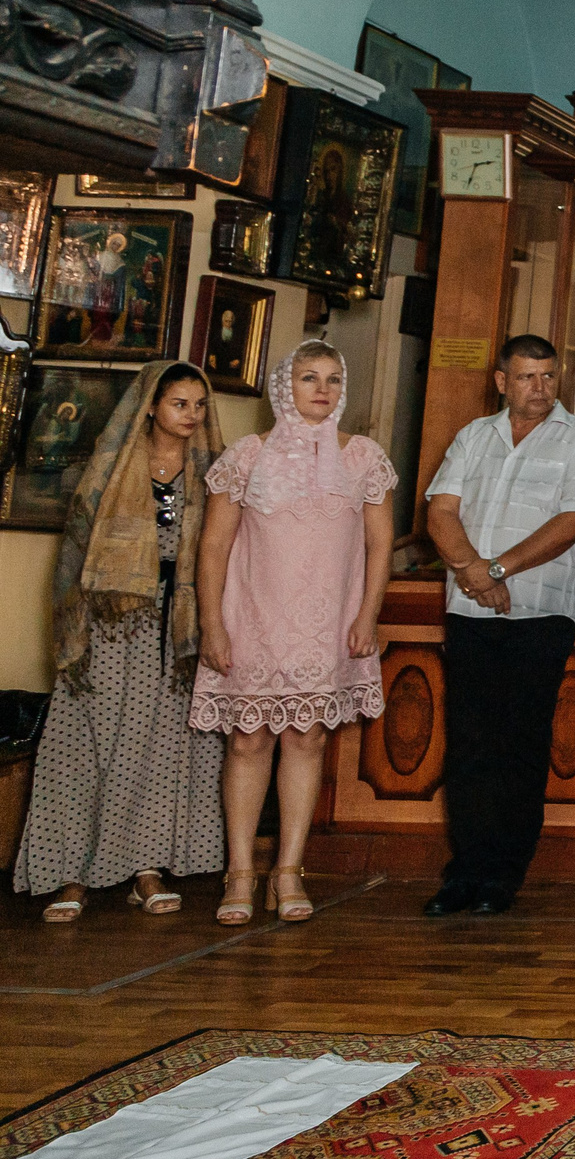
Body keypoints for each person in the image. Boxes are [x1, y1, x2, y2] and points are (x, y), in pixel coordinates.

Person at [191, 342, 396, 925]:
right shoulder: (246, 455)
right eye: (309, 378)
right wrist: (212, 624)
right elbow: (214, 546)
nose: (323, 389)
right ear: (286, 386)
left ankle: (288, 871)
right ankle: (239, 872)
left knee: (307, 738)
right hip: (251, 619)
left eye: (333, 379)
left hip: (328, 624)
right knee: (248, 741)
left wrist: (368, 614)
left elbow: (380, 543)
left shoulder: (363, 457)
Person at [14, 363, 226, 923]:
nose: (192, 415)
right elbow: (74, 555)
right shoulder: (110, 467)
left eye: (199, 404)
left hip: (179, 625)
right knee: (86, 745)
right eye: (179, 403)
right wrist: (75, 631)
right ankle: (71, 875)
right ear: (150, 405)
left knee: (163, 744)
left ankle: (146, 871)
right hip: (111, 623)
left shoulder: (214, 471)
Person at [420, 333, 575, 917]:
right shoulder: (474, 436)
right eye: (526, 377)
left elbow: (574, 520)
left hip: (541, 613)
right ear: (502, 381)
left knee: (519, 745)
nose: (540, 388)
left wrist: (498, 567)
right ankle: (465, 872)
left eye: (548, 376)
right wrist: (476, 574)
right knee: (470, 743)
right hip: (471, 611)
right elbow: (441, 512)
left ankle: (502, 875)